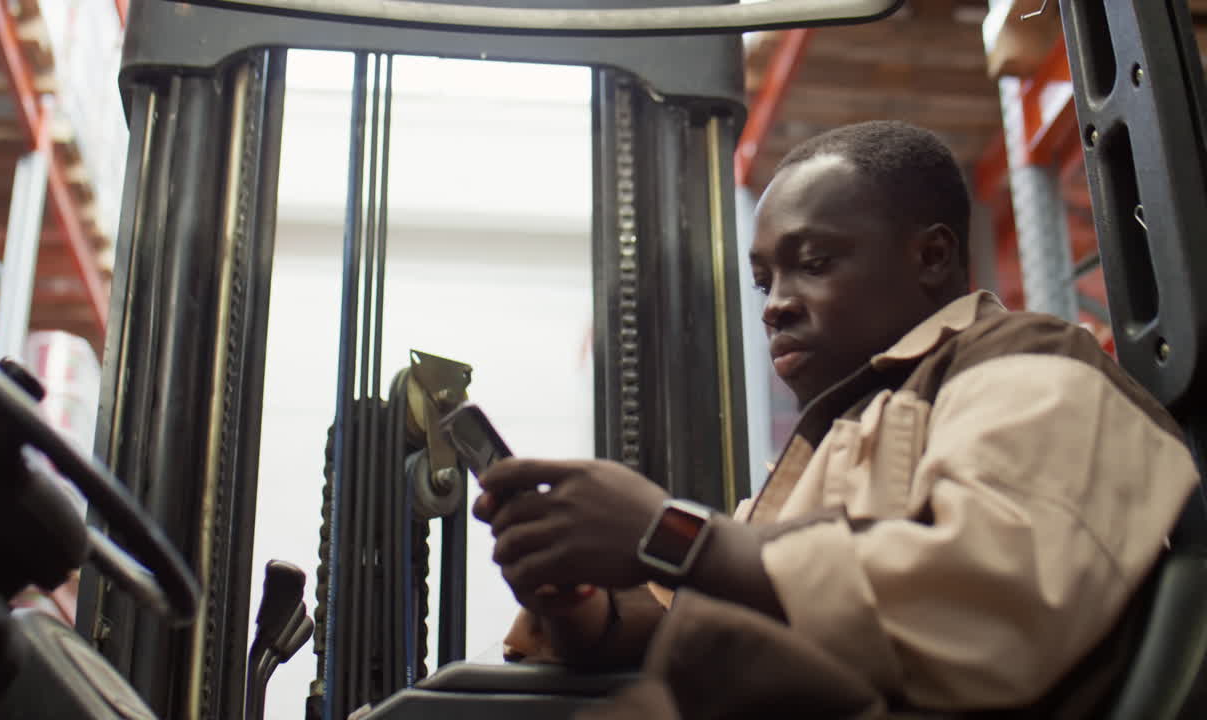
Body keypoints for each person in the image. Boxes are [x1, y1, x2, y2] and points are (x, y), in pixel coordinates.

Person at [472, 121, 1200, 718]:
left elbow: (988, 595)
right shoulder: (845, 425)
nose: (774, 304)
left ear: (933, 256)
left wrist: (667, 530)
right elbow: (683, 604)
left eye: (813, 262)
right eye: (765, 280)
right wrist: (573, 599)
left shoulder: (1028, 360)